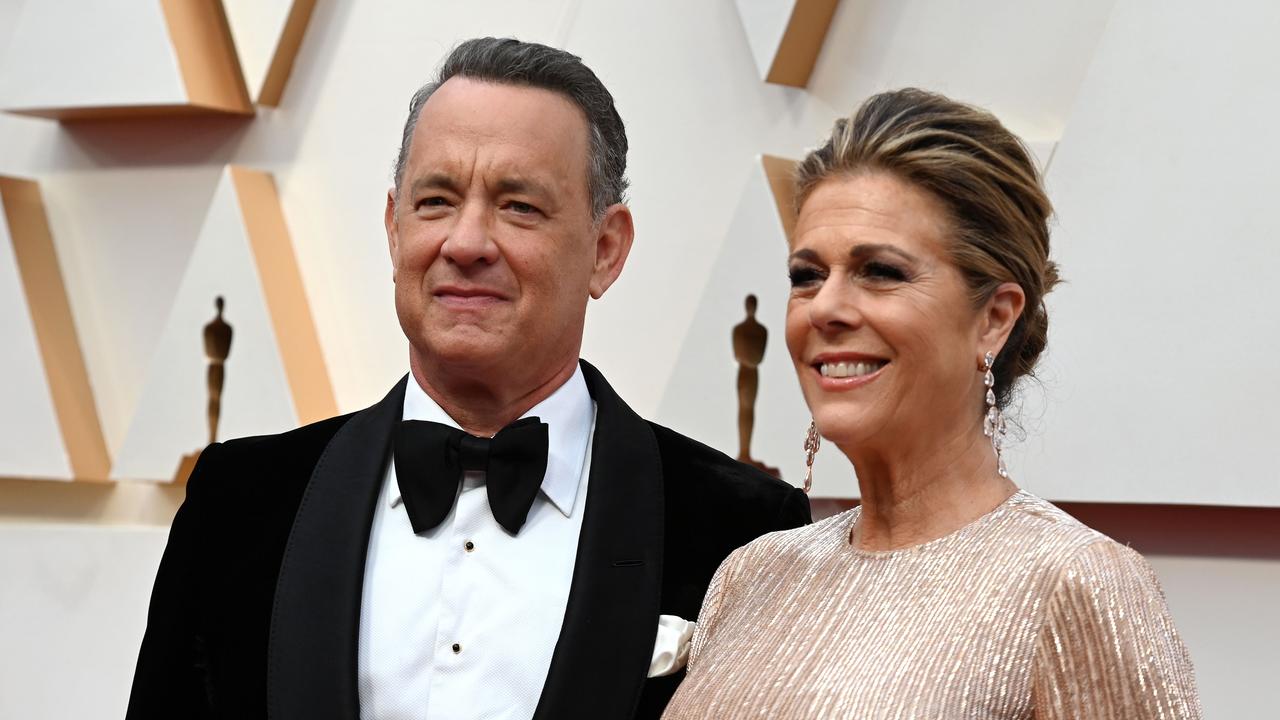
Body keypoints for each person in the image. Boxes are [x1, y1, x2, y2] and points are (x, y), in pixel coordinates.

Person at [126, 38, 809, 720]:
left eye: (519, 206)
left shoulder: (744, 535)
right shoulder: (237, 503)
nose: (467, 242)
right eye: (436, 201)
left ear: (606, 250)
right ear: (394, 229)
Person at [662, 89, 1200, 719]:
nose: (827, 308)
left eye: (881, 272)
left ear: (994, 319)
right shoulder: (750, 576)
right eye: (806, 275)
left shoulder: (1071, 584)